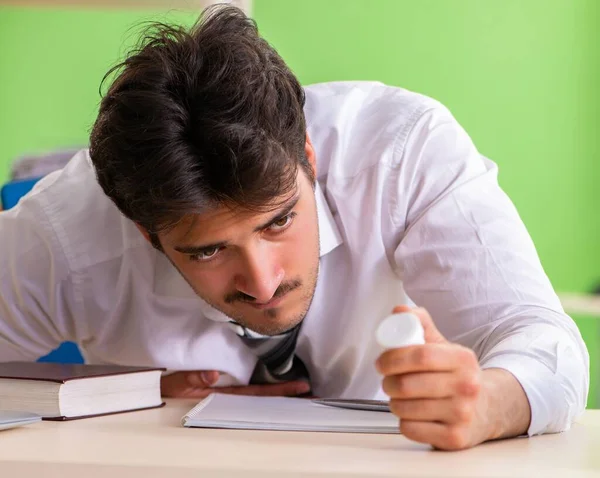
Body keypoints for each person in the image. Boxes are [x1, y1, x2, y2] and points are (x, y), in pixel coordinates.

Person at [0, 6, 588, 450]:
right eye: (207, 251)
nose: (262, 281)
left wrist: (490, 403)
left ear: (307, 155)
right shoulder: (68, 234)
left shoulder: (403, 153)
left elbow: (543, 339)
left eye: (280, 220)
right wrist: (123, 397)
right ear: (144, 231)